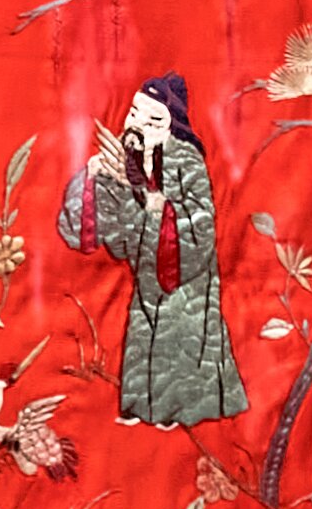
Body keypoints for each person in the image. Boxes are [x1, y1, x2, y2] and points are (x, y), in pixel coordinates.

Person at [61, 72, 245, 427]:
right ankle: (142, 407)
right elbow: (110, 224)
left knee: (184, 335)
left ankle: (183, 410)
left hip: (185, 272)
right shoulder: (126, 154)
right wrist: (92, 178)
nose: (138, 124)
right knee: (143, 333)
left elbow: (201, 220)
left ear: (171, 125)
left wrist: (160, 207)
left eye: (153, 119)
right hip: (147, 270)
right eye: (134, 113)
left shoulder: (187, 160)